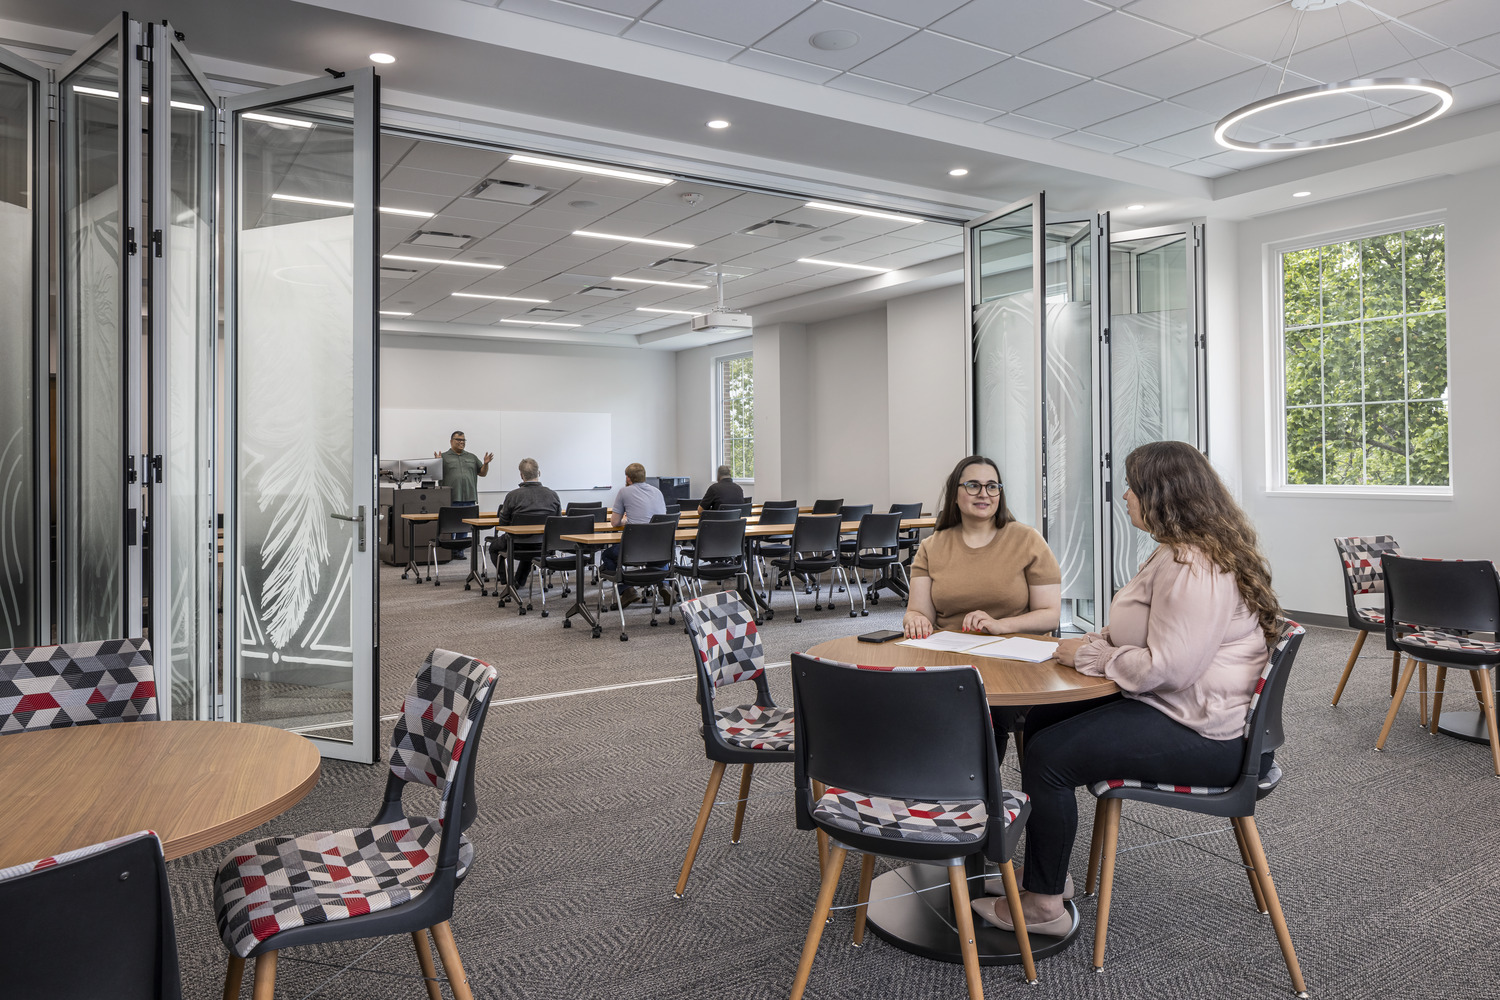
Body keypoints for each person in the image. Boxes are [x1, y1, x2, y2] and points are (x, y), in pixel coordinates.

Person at [970, 440, 1282, 937]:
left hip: (1210, 737)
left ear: (1162, 495)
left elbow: (1171, 667)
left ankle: (1043, 906)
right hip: (1190, 710)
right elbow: (1148, 634)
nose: (1126, 498)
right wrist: (1096, 644)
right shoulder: (1182, 552)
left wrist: (1093, 655)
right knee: (1041, 721)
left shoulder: (1192, 567)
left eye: (1133, 489)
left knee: (1049, 755)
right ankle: (1045, 875)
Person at [903, 454, 1062, 761]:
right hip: (950, 659)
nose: (984, 494)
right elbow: (919, 612)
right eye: (973, 485)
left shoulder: (1026, 540)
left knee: (984, 710)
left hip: (1012, 661)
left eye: (992, 486)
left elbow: (1049, 615)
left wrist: (1001, 625)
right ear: (956, 492)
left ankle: (975, 794)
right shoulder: (932, 547)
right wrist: (914, 619)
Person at [601, 463, 667, 602]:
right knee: (660, 549)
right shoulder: (658, 492)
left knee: (607, 555)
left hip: (634, 550)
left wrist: (627, 520)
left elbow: (614, 522)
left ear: (628, 478)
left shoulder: (624, 492)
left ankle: (627, 590)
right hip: (659, 550)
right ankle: (665, 585)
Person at [494, 457, 561, 585]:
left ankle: (507, 581)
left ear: (521, 475)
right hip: (544, 546)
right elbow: (557, 523)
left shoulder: (512, 496)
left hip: (517, 544)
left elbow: (503, 524)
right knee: (531, 543)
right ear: (539, 473)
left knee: (493, 548)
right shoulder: (553, 495)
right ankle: (518, 581)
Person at [433, 431, 492, 506]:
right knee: (452, 518)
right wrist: (438, 462)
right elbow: (435, 476)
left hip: (469, 499)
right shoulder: (443, 457)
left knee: (469, 518)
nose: (461, 442)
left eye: (463, 440)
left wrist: (486, 464)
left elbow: (483, 473)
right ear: (451, 441)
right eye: (458, 440)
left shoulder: (472, 457)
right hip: (450, 499)